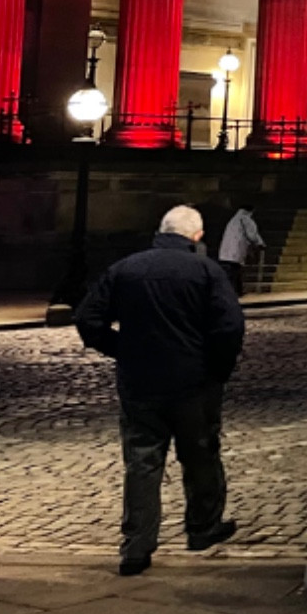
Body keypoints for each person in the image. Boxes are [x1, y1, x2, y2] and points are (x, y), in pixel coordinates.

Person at [74, 205, 245, 576]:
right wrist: (217, 369)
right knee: (200, 456)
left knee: (142, 463)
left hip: (140, 382)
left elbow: (87, 319)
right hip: (193, 383)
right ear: (196, 236)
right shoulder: (206, 271)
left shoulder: (125, 269)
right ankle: (203, 526)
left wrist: (120, 348)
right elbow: (229, 327)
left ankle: (136, 546)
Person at [217, 205, 264, 297]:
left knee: (233, 273)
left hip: (226, 253)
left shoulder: (233, 220)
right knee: (234, 273)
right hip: (235, 253)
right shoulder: (245, 219)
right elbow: (252, 235)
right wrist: (260, 243)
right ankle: (235, 292)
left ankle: (237, 291)